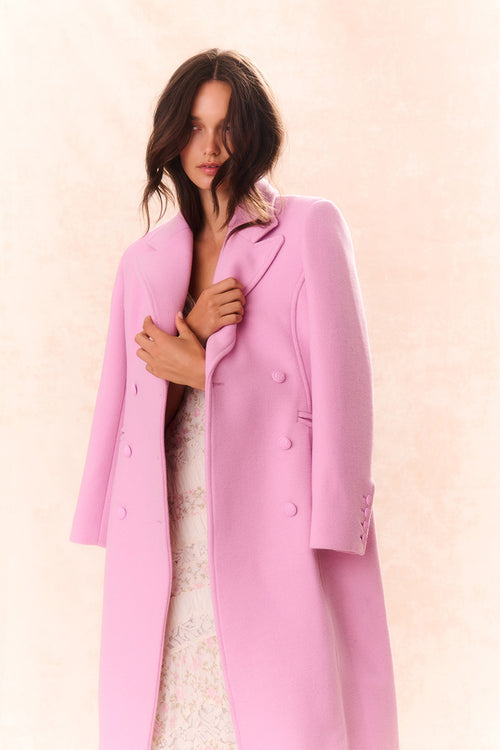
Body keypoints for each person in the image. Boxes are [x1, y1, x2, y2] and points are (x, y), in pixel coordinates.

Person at [69, 48, 399, 750]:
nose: (210, 147)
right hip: (171, 514)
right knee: (171, 717)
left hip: (273, 508)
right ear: (172, 135)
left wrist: (200, 366)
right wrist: (188, 339)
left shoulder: (309, 228)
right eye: (194, 127)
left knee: (279, 715)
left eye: (226, 127)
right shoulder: (142, 263)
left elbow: (343, 392)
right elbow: (128, 415)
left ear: (254, 133)